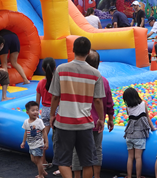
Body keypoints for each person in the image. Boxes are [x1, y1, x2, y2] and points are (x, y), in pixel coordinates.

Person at [49, 37, 105, 178]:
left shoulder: (61, 69)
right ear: (88, 52)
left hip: (64, 123)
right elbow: (98, 100)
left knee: (63, 161)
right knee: (87, 162)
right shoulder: (95, 74)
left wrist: (51, 115)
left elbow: (55, 96)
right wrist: (102, 119)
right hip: (85, 124)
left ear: (73, 50)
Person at [72, 50, 114, 178]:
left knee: (77, 151)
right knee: (96, 150)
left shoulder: (77, 80)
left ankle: (77, 175)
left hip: (80, 122)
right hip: (96, 123)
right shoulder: (103, 81)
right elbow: (108, 103)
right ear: (98, 64)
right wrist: (109, 119)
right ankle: (97, 175)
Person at [123, 87, 155, 178]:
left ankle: (129, 176)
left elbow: (131, 120)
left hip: (129, 135)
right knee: (138, 157)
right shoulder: (143, 104)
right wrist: (152, 128)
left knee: (130, 157)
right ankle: (138, 176)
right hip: (139, 135)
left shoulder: (128, 108)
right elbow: (148, 118)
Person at [35, 57, 55, 170]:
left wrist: (37, 114)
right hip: (56, 110)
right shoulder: (57, 82)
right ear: (55, 68)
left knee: (43, 137)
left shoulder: (40, 83)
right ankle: (60, 162)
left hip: (45, 111)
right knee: (58, 138)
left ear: (43, 69)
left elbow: (37, 101)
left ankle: (43, 161)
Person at [21, 101, 49, 178]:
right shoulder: (26, 122)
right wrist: (23, 142)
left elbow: (44, 132)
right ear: (27, 112)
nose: (36, 112)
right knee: (33, 160)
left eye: (37, 110)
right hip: (31, 144)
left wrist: (46, 142)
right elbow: (26, 132)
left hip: (38, 144)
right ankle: (42, 171)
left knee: (38, 160)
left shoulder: (39, 121)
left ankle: (41, 175)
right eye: (33, 110)